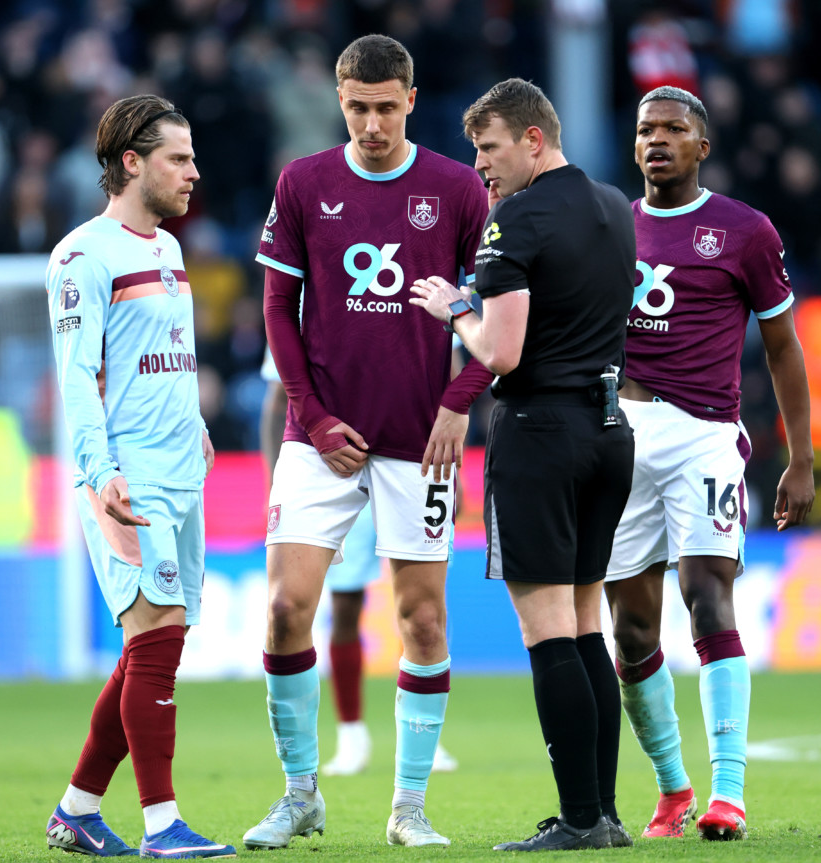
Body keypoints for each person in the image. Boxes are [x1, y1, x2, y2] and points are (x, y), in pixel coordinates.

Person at [243, 34, 491, 850]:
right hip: (319, 436)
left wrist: (459, 400)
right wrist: (310, 416)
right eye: (358, 108)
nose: (373, 124)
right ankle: (300, 792)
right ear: (340, 100)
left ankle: (409, 807)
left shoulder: (457, 190)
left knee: (421, 621)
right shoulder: (305, 182)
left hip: (418, 441)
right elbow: (278, 310)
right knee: (285, 608)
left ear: (412, 100)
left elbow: (498, 315)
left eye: (387, 107)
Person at [411, 77, 636, 852]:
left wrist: (456, 308)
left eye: (490, 147)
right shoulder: (614, 205)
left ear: (533, 139)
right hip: (610, 431)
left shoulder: (518, 218)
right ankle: (603, 814)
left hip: (542, 433)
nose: (480, 165)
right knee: (584, 626)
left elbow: (500, 350)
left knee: (547, 634)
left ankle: (577, 820)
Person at [602, 86, 814, 843]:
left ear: (703, 145)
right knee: (628, 627)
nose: (657, 140)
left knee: (705, 594)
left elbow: (783, 345)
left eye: (674, 129)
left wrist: (801, 457)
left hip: (704, 435)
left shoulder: (744, 231)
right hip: (621, 433)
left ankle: (729, 792)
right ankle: (672, 787)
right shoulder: (610, 225)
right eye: (645, 130)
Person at [43, 94, 236, 859]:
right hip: (126, 479)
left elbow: (161, 360)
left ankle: (78, 809)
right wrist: (102, 471)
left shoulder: (168, 250)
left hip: (179, 468)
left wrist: (194, 423)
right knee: (155, 639)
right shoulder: (82, 256)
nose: (194, 172)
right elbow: (77, 375)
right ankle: (164, 825)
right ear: (132, 162)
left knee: (154, 643)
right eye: (178, 159)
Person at [257, 347, 459, 776]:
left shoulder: (432, 293)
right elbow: (278, 397)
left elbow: (454, 378)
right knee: (343, 604)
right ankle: (351, 734)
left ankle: (427, 738)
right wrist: (271, 479)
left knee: (425, 607)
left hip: (413, 456)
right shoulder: (308, 302)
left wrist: (453, 465)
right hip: (337, 462)